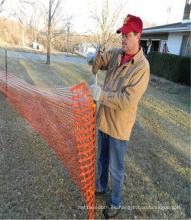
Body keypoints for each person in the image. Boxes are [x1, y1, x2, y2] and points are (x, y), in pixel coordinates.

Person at [87, 14, 150, 219]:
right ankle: (100, 186)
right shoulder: (116, 54)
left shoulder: (142, 67)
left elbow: (127, 100)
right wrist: (93, 58)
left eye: (127, 35)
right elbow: (102, 59)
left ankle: (115, 202)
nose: (123, 39)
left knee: (116, 168)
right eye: (122, 35)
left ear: (138, 36)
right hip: (104, 120)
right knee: (102, 161)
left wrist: (101, 95)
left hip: (119, 127)